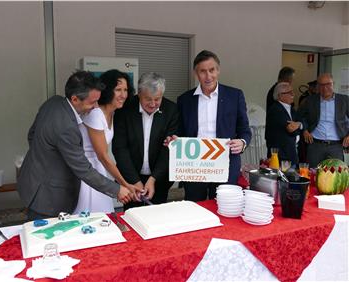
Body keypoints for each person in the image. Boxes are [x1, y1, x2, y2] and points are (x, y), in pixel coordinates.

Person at [17, 71, 140, 220]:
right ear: (75, 99)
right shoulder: (67, 127)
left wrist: (45, 157)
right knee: (45, 235)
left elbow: (32, 135)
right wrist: (117, 189)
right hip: (47, 194)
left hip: (33, 180)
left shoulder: (54, 102)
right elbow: (84, 169)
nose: (95, 107)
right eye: (92, 102)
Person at [177, 50, 252, 202]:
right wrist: (174, 140)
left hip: (226, 163)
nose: (208, 76)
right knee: (194, 206)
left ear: (218, 70)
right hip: (194, 165)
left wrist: (242, 142)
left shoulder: (235, 96)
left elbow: (245, 130)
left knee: (224, 207)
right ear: (196, 73)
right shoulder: (184, 100)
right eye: (203, 71)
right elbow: (180, 131)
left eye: (211, 70)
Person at [74, 69, 138, 214]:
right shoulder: (96, 114)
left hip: (99, 168)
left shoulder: (112, 113)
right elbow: (103, 155)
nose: (123, 95)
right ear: (108, 90)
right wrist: (124, 184)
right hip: (87, 171)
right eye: (118, 90)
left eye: (126, 90)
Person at [112, 72, 179, 209]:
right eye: (148, 99)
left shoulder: (171, 110)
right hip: (130, 178)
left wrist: (153, 179)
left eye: (157, 99)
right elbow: (120, 148)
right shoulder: (125, 109)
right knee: (131, 216)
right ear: (139, 94)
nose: (153, 104)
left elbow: (168, 149)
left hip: (159, 178)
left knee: (158, 218)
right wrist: (135, 181)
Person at [299, 73, 349, 168]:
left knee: (336, 176)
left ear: (333, 84)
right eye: (321, 85)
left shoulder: (344, 100)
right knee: (312, 174)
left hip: (336, 146)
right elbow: (300, 116)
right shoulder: (310, 100)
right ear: (318, 86)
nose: (325, 88)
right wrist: (305, 130)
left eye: (328, 84)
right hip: (315, 145)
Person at [265, 82, 303, 165]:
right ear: (280, 96)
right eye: (289, 92)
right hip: (281, 156)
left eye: (292, 91)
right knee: (283, 177)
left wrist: (299, 124)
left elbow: (302, 121)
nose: (293, 94)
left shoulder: (291, 109)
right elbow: (291, 130)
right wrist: (300, 127)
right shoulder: (276, 110)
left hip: (290, 154)